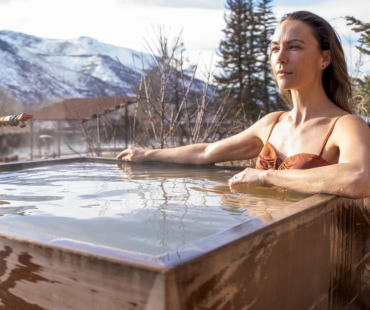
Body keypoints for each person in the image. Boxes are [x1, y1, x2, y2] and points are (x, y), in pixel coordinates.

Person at [117, 11, 370, 199]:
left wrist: (266, 176)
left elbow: (359, 178)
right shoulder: (273, 123)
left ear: (324, 58)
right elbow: (207, 152)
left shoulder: (346, 126)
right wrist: (147, 155)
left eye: (294, 47)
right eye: (274, 48)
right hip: (259, 245)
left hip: (309, 255)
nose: (280, 58)